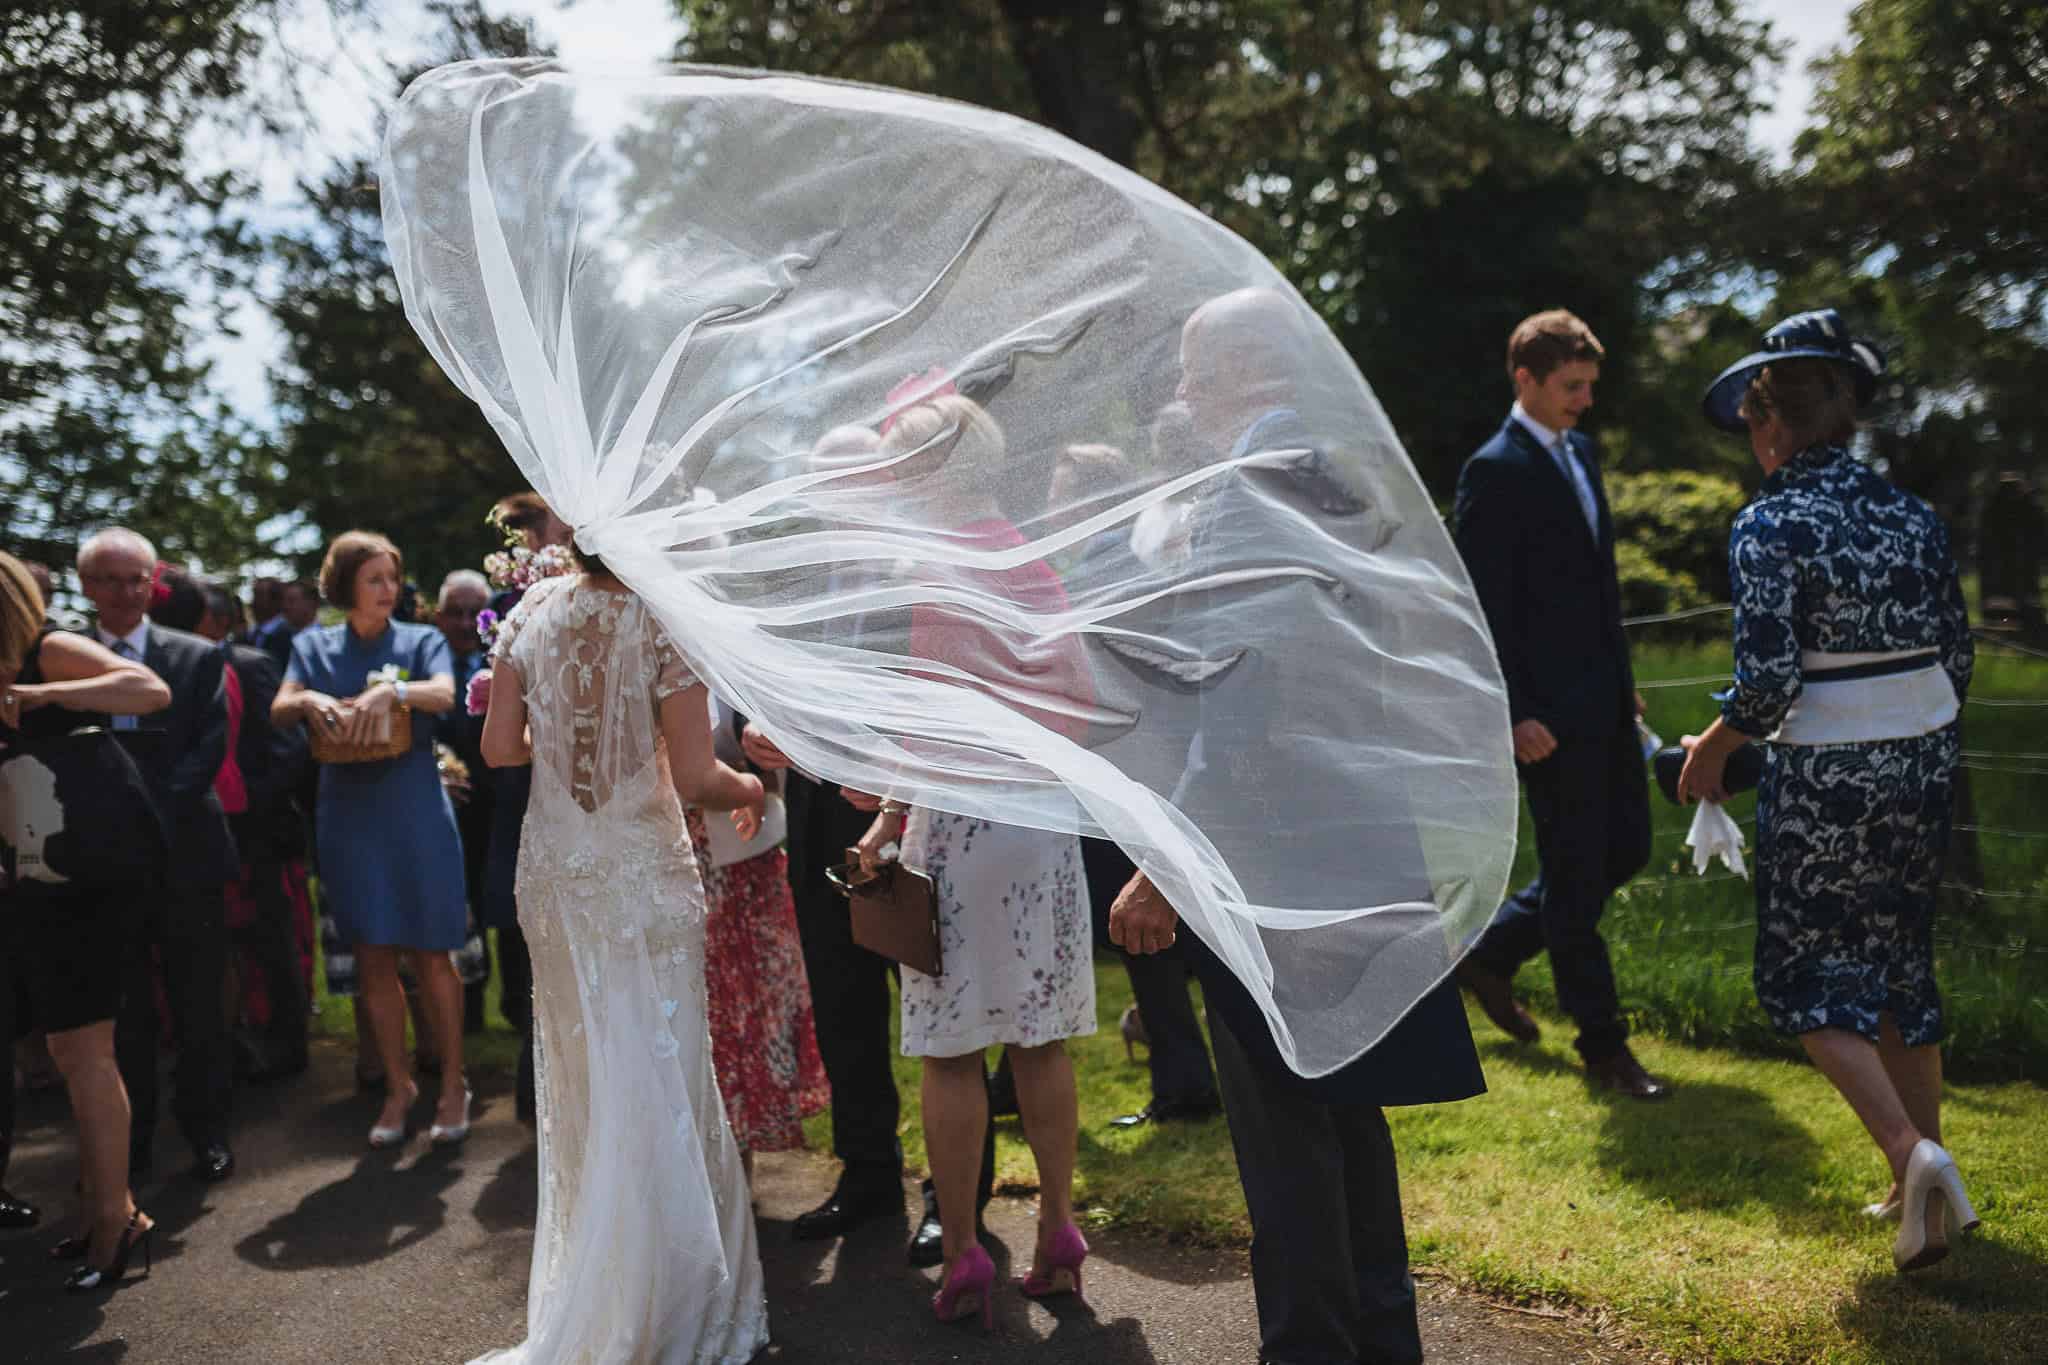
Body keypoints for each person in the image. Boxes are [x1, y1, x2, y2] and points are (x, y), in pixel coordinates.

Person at [1679, 309, 1978, 1272]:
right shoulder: (1914, 514)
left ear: (1769, 424)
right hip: (1923, 767)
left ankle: (1911, 1153)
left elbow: (1767, 685)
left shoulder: (1769, 522)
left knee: (1804, 977)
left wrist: (1710, 752)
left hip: (1827, 776)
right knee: (1900, 964)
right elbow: (1958, 657)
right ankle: (1918, 1201)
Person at [476, 538, 769, 1364]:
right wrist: (750, 786)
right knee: (660, 1066)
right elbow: (695, 772)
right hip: (638, 869)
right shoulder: (664, 618)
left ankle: (599, 1299)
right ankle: (670, 1301)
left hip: (558, 872)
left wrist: (565, 747)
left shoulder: (530, 612)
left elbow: (500, 748)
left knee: (587, 1077)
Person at [849, 394, 1096, 1328]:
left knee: (951, 1048)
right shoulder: (1029, 561)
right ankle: (1061, 1230)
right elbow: (1073, 694)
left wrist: (884, 820)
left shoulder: (939, 572)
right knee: (1040, 1037)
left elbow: (933, 724)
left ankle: (961, 1254)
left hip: (961, 826)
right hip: (1038, 820)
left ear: (927, 473)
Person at [740, 423, 997, 1266]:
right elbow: (779, 687)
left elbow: (938, 700)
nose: (825, 501)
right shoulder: (805, 580)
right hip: (818, 816)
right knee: (844, 1006)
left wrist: (865, 757)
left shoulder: (917, 572)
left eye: (839, 481)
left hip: (903, 816)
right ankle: (870, 1177)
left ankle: (959, 1200)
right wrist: (765, 733)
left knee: (937, 1013)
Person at [1450, 309, 1665, 1100]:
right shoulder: (1493, 470)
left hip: (1603, 701)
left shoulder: (1582, 453)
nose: (1584, 401)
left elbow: (1597, 589)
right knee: (1576, 884)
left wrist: (1621, 680)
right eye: (1571, 387)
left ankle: (1491, 951)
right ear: (1526, 381)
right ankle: (1605, 1047)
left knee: (1627, 850)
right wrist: (1510, 712)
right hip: (1542, 719)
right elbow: (1482, 606)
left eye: (1588, 387)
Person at [2, 548, 174, 1290]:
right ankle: (107, 1207)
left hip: (93, 876)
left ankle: (116, 1218)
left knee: (84, 1048)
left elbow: (150, 688)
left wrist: (41, 696)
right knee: (74, 1049)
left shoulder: (49, 648)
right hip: (37, 878)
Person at [274, 530, 470, 1148]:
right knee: (373, 956)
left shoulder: (421, 639)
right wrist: (306, 698)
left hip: (415, 812)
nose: (389, 589)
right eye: (375, 579)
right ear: (346, 586)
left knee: (433, 952)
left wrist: (396, 690)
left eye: (393, 577)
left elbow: (447, 691)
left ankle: (455, 1083)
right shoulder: (313, 645)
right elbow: (278, 708)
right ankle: (397, 1086)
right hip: (349, 815)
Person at [77, 529, 242, 1183]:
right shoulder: (64, 655)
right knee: (123, 1015)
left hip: (186, 856)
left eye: (135, 579)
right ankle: (131, 1143)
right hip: (98, 865)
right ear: (86, 586)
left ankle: (208, 1133)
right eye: (109, 580)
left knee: (200, 1005)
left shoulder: (197, 655)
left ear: (154, 585)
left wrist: (140, 817)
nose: (124, 592)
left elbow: (206, 749)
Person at [686, 699, 829, 1170]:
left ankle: (737, 1172)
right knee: (702, 1008)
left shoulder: (732, 650)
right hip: (684, 849)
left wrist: (759, 781)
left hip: (745, 853)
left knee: (743, 1006)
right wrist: (747, 787)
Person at [480, 492, 570, 1123]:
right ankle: (534, 1077)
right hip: (526, 789)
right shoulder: (509, 609)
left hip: (580, 787)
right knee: (527, 928)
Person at [433, 568, 496, 1035]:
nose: (464, 622)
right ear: (439, 617)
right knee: (459, 906)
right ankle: (466, 1011)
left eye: (475, 612)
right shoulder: (424, 665)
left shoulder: (502, 661)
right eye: (455, 613)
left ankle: (516, 1007)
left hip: (498, 806)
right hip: (444, 809)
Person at [259, 578, 319, 671]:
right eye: (284, 601)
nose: (285, 606)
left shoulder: (326, 643)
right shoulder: (277, 640)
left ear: (311, 603)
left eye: (292, 601)